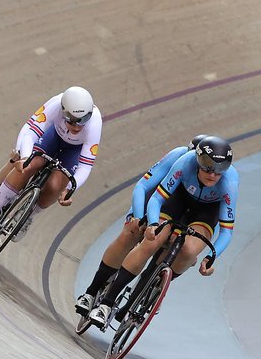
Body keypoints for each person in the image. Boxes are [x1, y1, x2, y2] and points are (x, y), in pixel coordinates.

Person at [87, 135, 238, 328]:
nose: (213, 175)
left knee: (189, 251)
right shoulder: (185, 161)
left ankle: (157, 287)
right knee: (153, 240)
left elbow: (226, 231)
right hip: (178, 199)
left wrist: (210, 257)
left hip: (206, 211)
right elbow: (157, 198)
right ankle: (106, 304)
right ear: (198, 160)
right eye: (208, 168)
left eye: (219, 171)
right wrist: (151, 224)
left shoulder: (229, 182)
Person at [75, 134, 209, 316]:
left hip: (185, 213)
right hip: (159, 202)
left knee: (180, 250)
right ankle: (91, 292)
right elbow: (143, 187)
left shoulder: (212, 180)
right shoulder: (178, 156)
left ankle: (152, 288)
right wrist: (138, 218)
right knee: (132, 232)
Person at [0, 86, 101, 240]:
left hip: (73, 151)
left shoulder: (94, 123)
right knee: (28, 164)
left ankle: (26, 217)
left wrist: (69, 189)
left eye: (82, 121)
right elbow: (30, 130)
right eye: (72, 121)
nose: (77, 126)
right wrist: (24, 157)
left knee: (55, 186)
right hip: (53, 137)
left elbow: (85, 166)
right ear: (63, 111)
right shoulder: (55, 104)